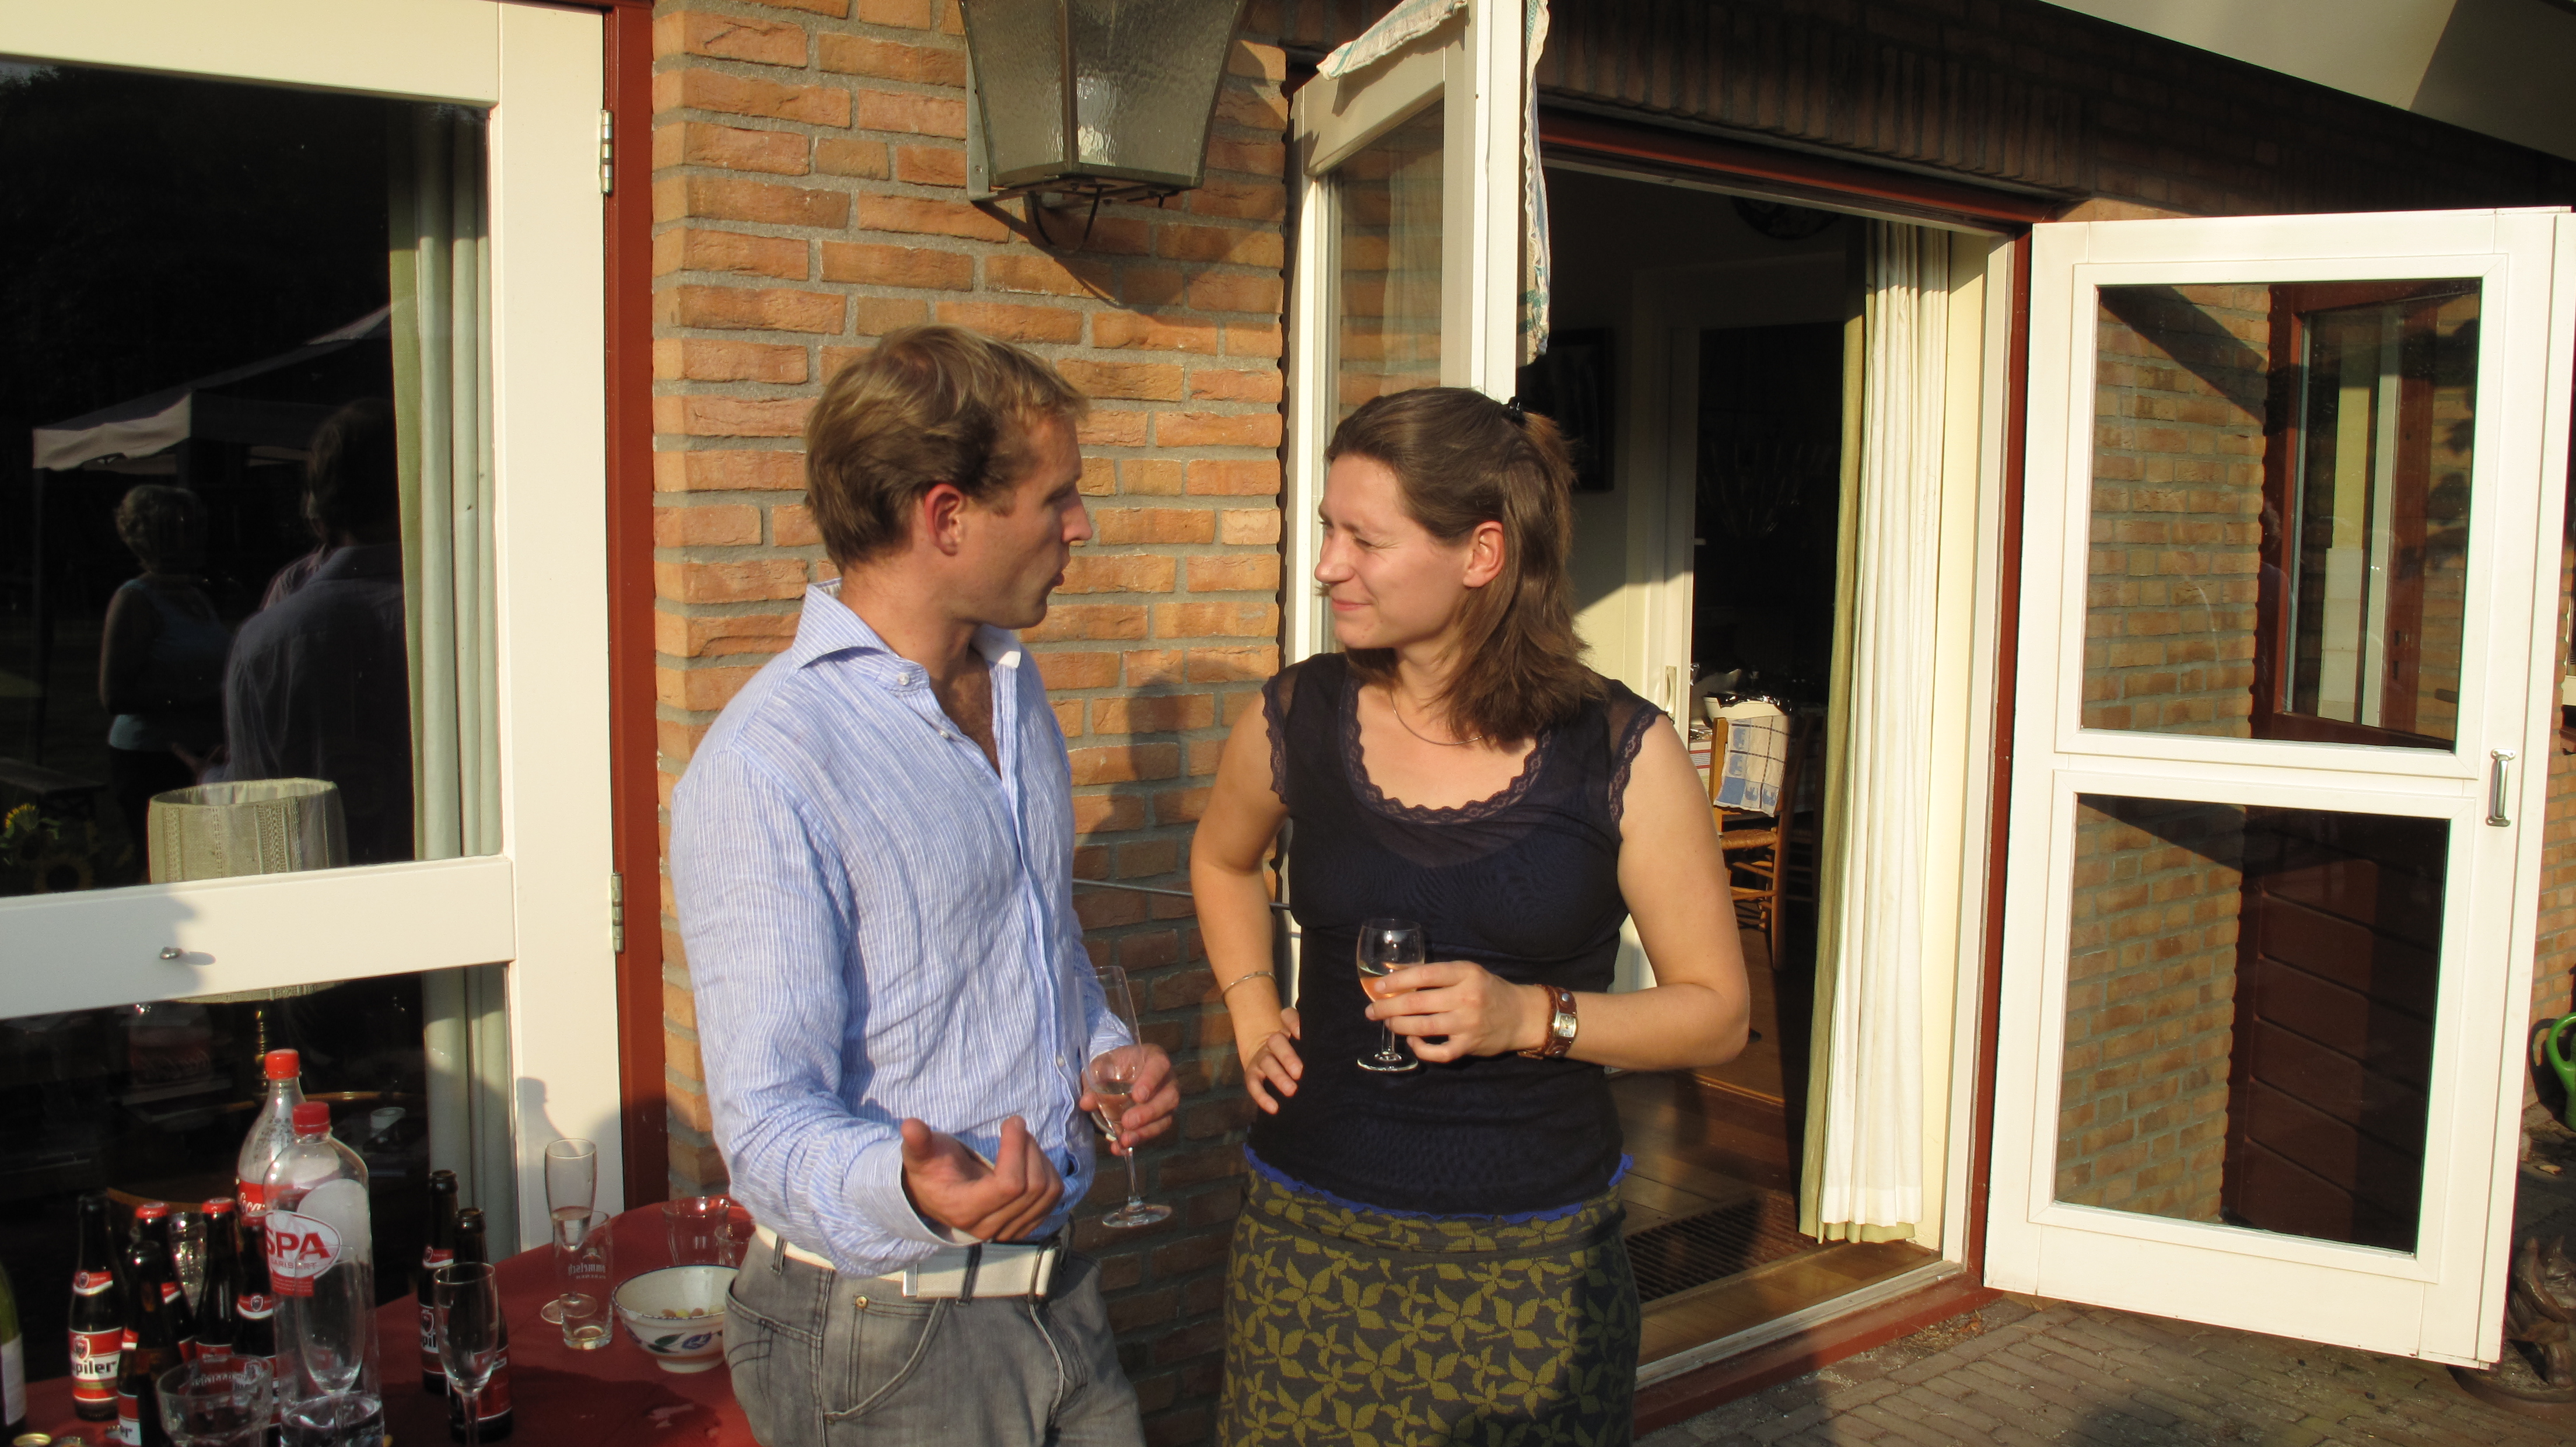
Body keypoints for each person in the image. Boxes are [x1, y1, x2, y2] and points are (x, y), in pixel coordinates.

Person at [1191, 387, 1753, 1446]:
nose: (1327, 566)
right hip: (1308, 1233)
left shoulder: (1620, 754)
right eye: (1328, 529)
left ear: (1481, 553)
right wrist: (1253, 1008)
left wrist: (1531, 1017)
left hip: (1531, 1264)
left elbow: (1717, 1014)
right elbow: (1222, 861)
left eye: (1364, 539)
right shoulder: (1297, 715)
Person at [670, 325, 1181, 1447]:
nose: (1080, 525)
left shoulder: (1013, 683)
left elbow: (1033, 939)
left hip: (1059, 1296)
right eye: (1056, 497)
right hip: (884, 1341)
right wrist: (911, 1190)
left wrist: (1099, 1052)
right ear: (946, 517)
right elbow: (764, 1125)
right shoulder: (768, 766)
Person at [221, 399, 414, 864]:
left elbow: (253, 816)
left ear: (321, 517)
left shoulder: (267, 639)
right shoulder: (479, 617)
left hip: (318, 883)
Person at [97, 483, 230, 850]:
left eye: (199, 526)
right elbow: (114, 695)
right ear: (154, 538)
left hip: (203, 754)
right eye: (185, 528)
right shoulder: (135, 600)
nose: (198, 537)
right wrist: (195, 700)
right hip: (152, 760)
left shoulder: (197, 596)